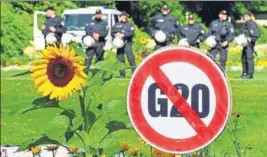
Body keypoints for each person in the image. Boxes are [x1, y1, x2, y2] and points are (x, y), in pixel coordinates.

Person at [112, 11, 136, 78]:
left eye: (123, 16)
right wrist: (116, 34)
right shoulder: (116, 25)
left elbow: (131, 33)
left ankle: (134, 73)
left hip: (127, 44)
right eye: (121, 16)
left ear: (126, 17)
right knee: (120, 59)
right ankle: (122, 75)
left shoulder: (130, 25)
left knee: (131, 59)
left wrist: (123, 35)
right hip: (119, 45)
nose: (122, 17)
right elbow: (112, 32)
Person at [240, 12, 261, 79]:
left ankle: (250, 74)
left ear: (249, 17)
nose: (245, 18)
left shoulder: (251, 23)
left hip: (249, 44)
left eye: (246, 16)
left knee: (249, 58)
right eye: (244, 16)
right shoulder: (246, 24)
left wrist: (251, 39)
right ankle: (244, 73)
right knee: (243, 58)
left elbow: (257, 33)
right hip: (245, 44)